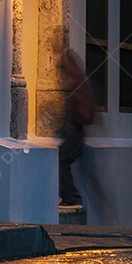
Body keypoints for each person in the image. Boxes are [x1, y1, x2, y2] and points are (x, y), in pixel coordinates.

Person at [58, 49, 95, 207]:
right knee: (63, 159)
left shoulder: (76, 81)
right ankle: (70, 196)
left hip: (75, 130)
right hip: (75, 130)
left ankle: (72, 197)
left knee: (62, 161)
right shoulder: (79, 79)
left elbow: (81, 107)